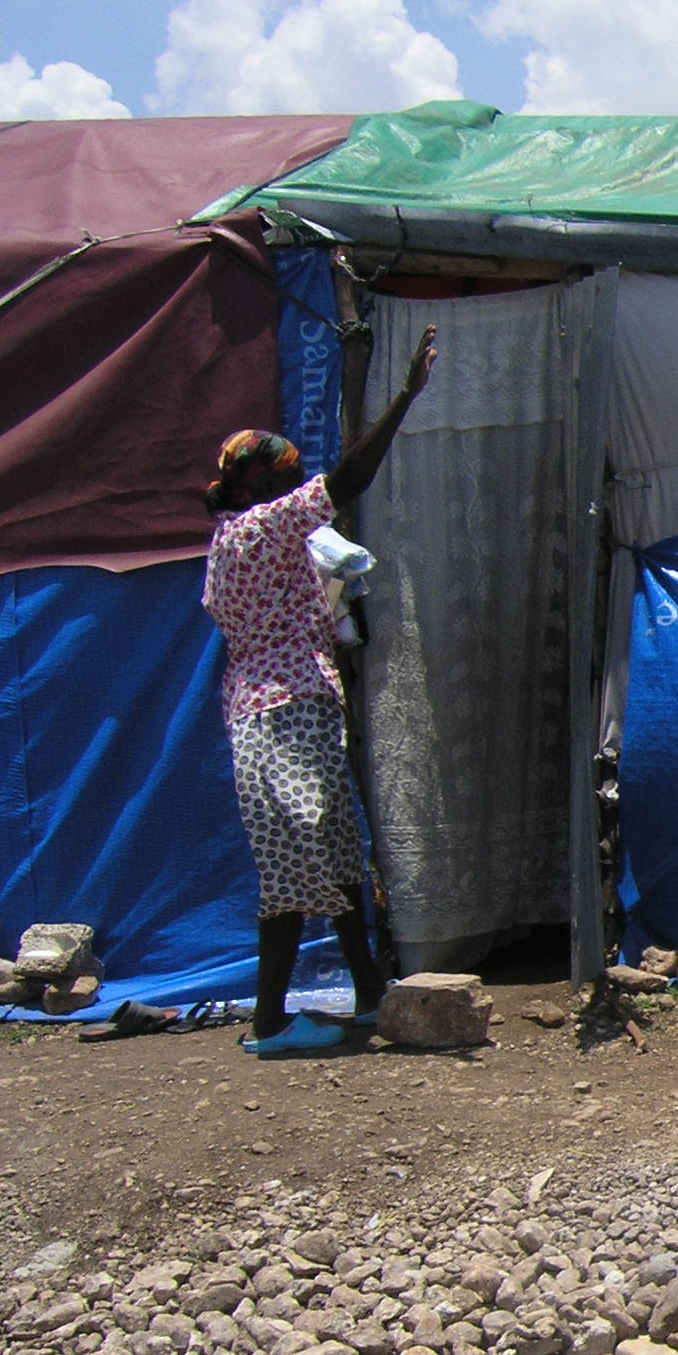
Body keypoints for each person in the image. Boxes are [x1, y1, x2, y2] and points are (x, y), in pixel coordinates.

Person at [202, 326, 436, 1056]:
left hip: (291, 705)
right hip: (280, 716)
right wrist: (405, 397)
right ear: (259, 484)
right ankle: (269, 1022)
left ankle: (367, 992)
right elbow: (348, 480)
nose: (297, 490)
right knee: (293, 861)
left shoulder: (241, 539)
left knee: (334, 854)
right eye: (286, 478)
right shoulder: (259, 529)